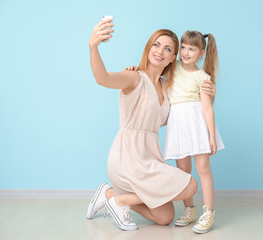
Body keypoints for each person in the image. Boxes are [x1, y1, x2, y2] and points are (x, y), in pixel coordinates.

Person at [86, 18, 215, 231]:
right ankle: (120, 202)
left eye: (167, 49)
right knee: (191, 185)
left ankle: (109, 194)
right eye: (156, 44)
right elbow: (103, 78)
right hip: (127, 157)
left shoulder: (169, 86)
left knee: (164, 216)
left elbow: (190, 103)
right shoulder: (134, 77)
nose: (160, 51)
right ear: (148, 47)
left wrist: (210, 91)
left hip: (150, 158)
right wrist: (93, 47)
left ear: (174, 57)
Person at [127, 31, 224, 234]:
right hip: (178, 123)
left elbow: (207, 108)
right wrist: (136, 70)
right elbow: (151, 74)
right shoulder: (174, 68)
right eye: (184, 47)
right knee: (183, 172)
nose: (186, 52)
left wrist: (212, 135)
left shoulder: (203, 77)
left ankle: (209, 212)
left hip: (196, 122)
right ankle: (189, 209)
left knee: (203, 168)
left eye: (192, 49)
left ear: (201, 53)